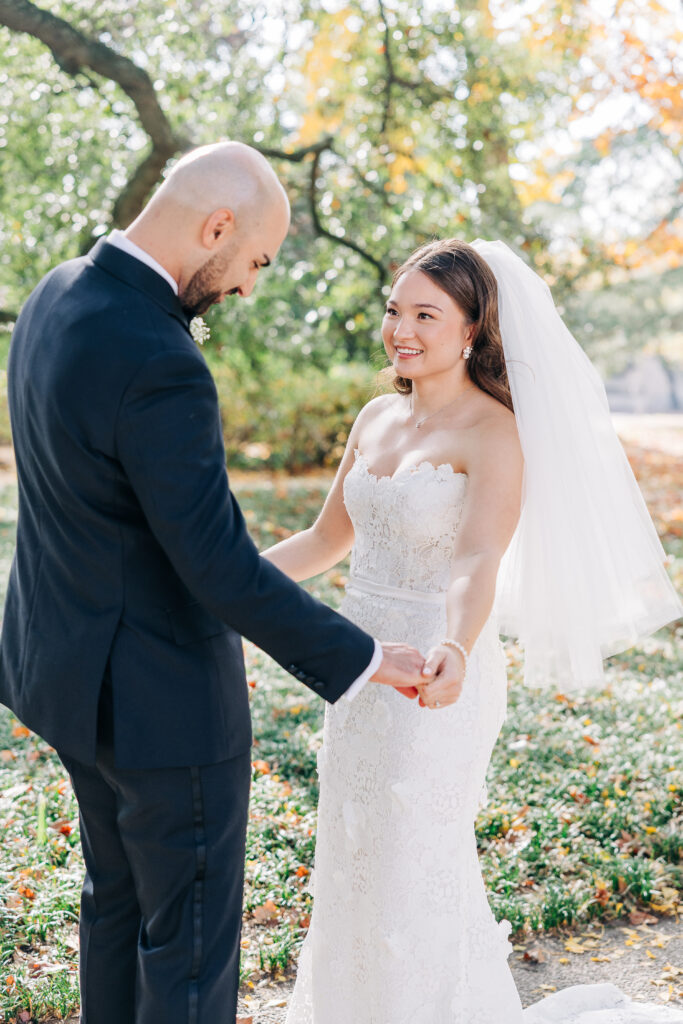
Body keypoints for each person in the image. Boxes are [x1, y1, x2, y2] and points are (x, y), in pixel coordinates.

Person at [0, 141, 443, 1024]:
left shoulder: (53, 296)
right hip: (164, 710)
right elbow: (213, 564)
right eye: (253, 261)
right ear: (215, 226)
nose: (246, 286)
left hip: (65, 681)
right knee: (190, 952)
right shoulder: (160, 358)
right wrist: (362, 659)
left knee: (115, 907)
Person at [263, 238, 683, 1023]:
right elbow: (325, 541)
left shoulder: (494, 432)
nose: (401, 329)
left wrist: (453, 646)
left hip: (435, 671)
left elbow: (476, 559)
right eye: (394, 310)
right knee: (353, 852)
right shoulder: (374, 417)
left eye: (426, 313)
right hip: (359, 668)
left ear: (471, 329)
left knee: (410, 862)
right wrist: (228, 577)